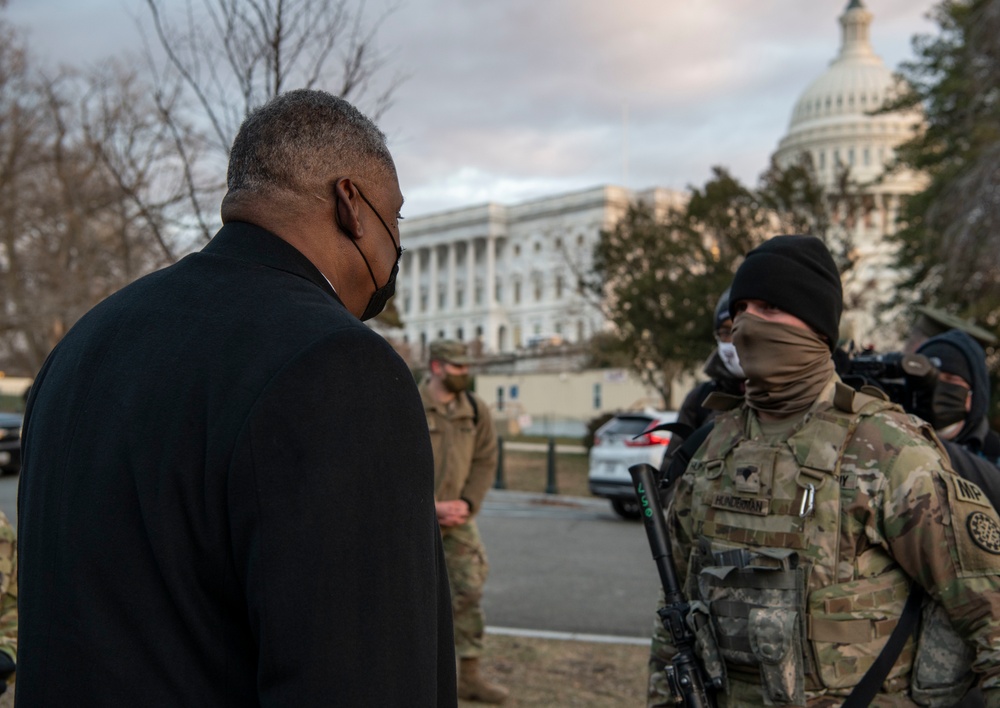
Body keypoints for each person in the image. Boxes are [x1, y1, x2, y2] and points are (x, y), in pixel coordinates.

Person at [17, 89, 456, 705]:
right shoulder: (340, 365)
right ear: (351, 205)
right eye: (396, 218)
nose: (394, 249)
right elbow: (363, 675)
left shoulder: (86, 343)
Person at [648, 234, 1000, 707]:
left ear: (816, 325)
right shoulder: (712, 450)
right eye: (741, 309)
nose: (749, 323)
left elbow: (990, 613)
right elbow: (676, 621)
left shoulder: (889, 451)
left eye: (771, 307)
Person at [420, 340, 507, 704]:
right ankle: (414, 677)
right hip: (415, 521)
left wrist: (467, 503)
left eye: (467, 366)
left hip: (458, 519)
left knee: (469, 590)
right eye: (457, 367)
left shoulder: (475, 409)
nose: (464, 373)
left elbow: (486, 460)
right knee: (409, 600)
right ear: (437, 366)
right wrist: (429, 506)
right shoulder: (407, 401)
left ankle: (469, 676)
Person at [660, 287, 745, 475]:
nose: (734, 339)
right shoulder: (701, 399)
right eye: (726, 331)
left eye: (741, 327)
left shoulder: (787, 397)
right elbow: (671, 473)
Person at [916, 329, 1000, 466]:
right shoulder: (889, 430)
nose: (937, 386)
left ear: (972, 395)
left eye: (951, 379)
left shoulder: (994, 455)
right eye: (929, 377)